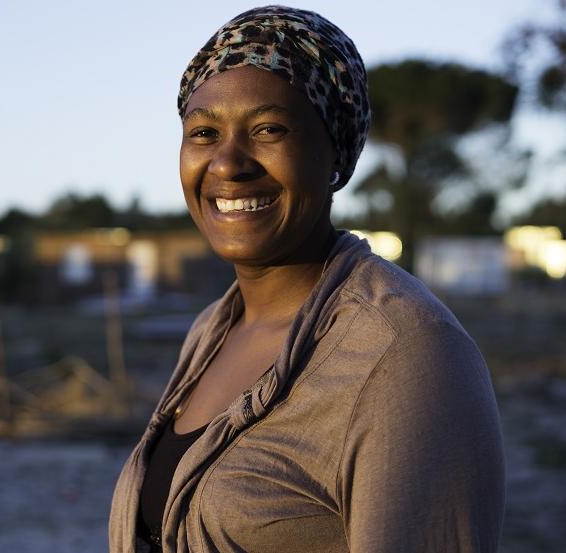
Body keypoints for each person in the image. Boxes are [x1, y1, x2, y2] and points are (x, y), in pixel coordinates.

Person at [108, 6, 504, 553]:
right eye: (203, 132)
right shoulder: (212, 330)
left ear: (335, 154)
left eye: (268, 128)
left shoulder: (407, 353)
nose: (227, 163)